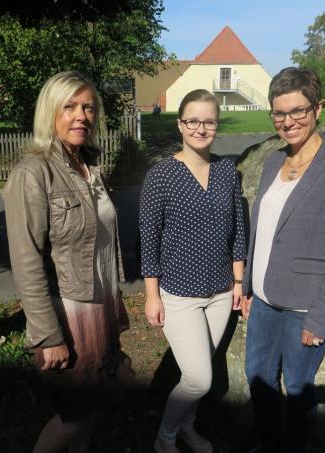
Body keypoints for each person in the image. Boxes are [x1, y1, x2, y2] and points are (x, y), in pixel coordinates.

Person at [3, 70, 133, 453]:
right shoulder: (33, 173)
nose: (82, 116)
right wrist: (48, 334)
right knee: (72, 415)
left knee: (94, 406)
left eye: (89, 107)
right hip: (68, 316)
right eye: (70, 106)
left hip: (100, 305)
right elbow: (27, 263)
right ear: (50, 113)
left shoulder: (88, 166)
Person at [240, 67, 325, 452]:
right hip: (263, 301)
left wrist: (322, 315)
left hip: (305, 305)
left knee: (297, 387)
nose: (288, 122)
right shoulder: (270, 163)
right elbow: (261, 229)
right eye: (279, 114)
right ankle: (267, 443)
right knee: (258, 378)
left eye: (297, 111)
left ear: (317, 109)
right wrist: (248, 287)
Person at [139, 89, 247, 453]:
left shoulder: (226, 171)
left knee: (199, 372)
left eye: (209, 121)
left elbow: (238, 230)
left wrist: (237, 281)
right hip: (178, 296)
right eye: (193, 121)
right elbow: (148, 238)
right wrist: (151, 295)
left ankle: (187, 427)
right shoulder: (161, 176)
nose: (201, 128)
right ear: (180, 124)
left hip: (219, 293)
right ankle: (164, 438)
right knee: (199, 379)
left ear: (217, 124)